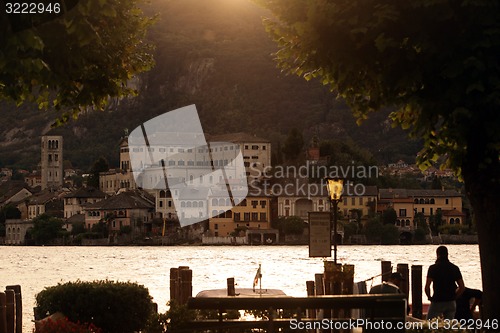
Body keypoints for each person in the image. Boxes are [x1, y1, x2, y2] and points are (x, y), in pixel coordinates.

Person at [425, 245, 465, 320]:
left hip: (437, 300)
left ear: (437, 254)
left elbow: (427, 287)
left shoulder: (433, 268)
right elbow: (462, 287)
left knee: (430, 324)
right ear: (447, 254)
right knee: (448, 326)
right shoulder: (454, 268)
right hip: (450, 301)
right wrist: (455, 297)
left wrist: (429, 297)